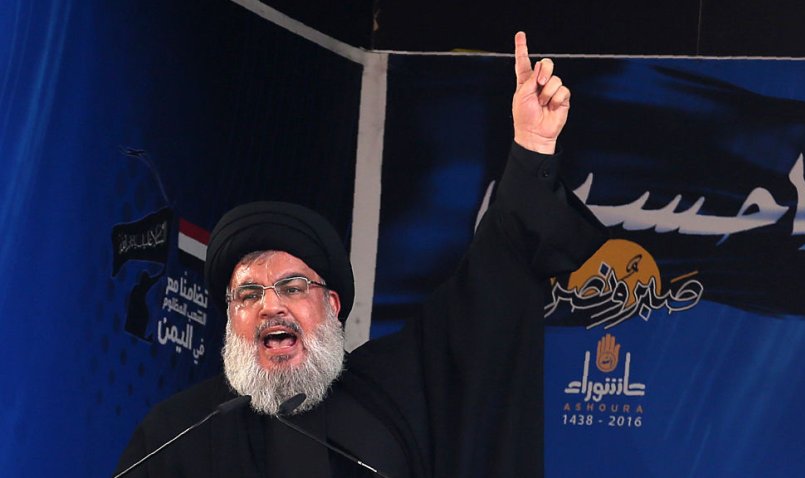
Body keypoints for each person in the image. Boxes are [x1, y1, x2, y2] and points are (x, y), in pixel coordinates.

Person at [115, 32, 608, 478]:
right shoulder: (176, 436)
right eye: (248, 294)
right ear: (230, 317)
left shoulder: (396, 391)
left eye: (292, 286)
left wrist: (532, 147)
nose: (272, 307)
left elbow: (490, 290)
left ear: (330, 305)